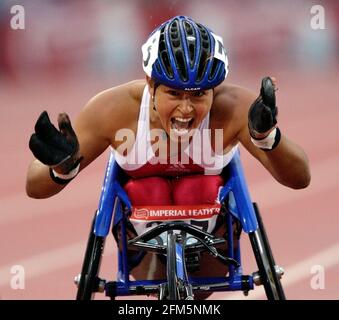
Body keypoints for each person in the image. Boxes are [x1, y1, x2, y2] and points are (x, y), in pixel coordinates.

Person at [26, 16, 310, 297]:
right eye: (174, 93)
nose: (186, 109)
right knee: (149, 189)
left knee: (197, 188)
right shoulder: (113, 110)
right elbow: (34, 186)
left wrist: (268, 138)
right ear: (151, 83)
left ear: (214, 91)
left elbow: (300, 178)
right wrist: (60, 168)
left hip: (213, 241)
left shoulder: (234, 108)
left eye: (199, 95)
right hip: (141, 244)